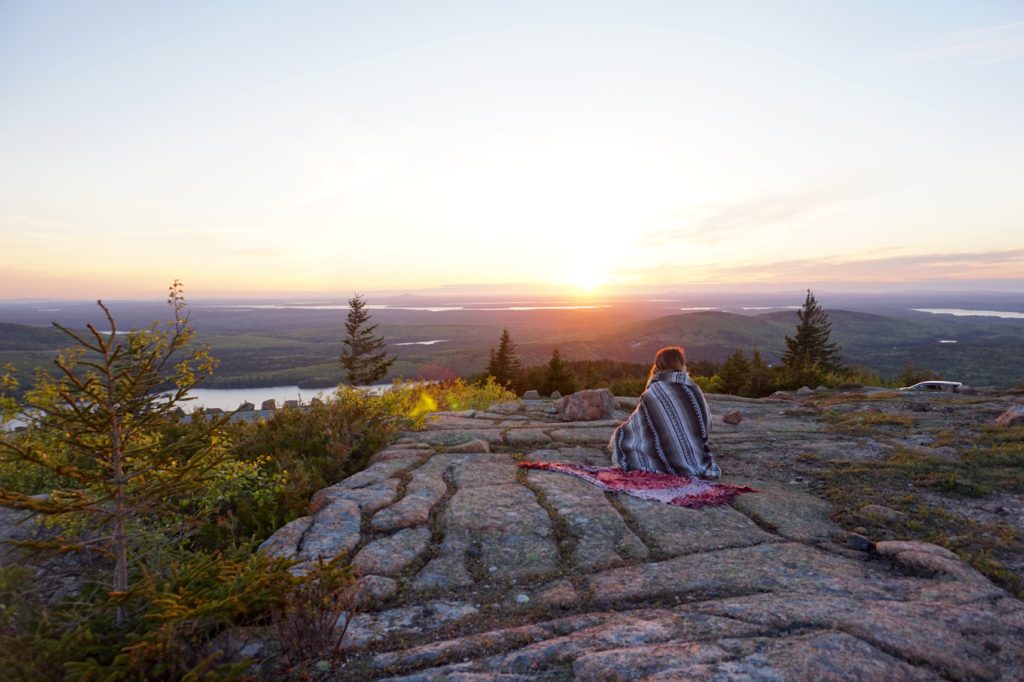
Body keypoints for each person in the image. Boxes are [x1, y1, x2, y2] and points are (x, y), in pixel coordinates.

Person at [610, 345, 720, 479]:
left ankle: (664, 460)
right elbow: (706, 425)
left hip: (660, 461)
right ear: (681, 363)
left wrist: (622, 431)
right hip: (695, 458)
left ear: (658, 364)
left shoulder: (653, 392)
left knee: (621, 434)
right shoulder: (693, 390)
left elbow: (638, 425)